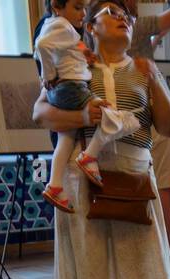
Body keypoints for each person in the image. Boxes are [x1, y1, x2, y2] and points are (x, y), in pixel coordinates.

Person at [33, 0, 170, 279]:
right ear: (90, 27)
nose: (122, 19)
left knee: (143, 260)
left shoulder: (143, 68)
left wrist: (154, 79)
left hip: (134, 173)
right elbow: (40, 113)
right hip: (85, 176)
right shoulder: (74, 66)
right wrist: (83, 116)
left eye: (126, 16)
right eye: (110, 13)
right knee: (90, 261)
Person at [35, 0, 138, 213]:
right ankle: (89, 156)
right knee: (112, 116)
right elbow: (38, 113)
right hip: (71, 87)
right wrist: (49, 75)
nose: (82, 13)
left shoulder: (66, 28)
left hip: (66, 88)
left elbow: (74, 42)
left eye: (84, 8)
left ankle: (54, 186)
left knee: (66, 138)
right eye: (111, 12)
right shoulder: (60, 25)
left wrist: (85, 54)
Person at [124, 0, 170, 275]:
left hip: (122, 118)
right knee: (163, 186)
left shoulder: (96, 29)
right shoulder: (135, 25)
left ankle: (136, 258)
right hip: (152, 112)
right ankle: (164, 258)